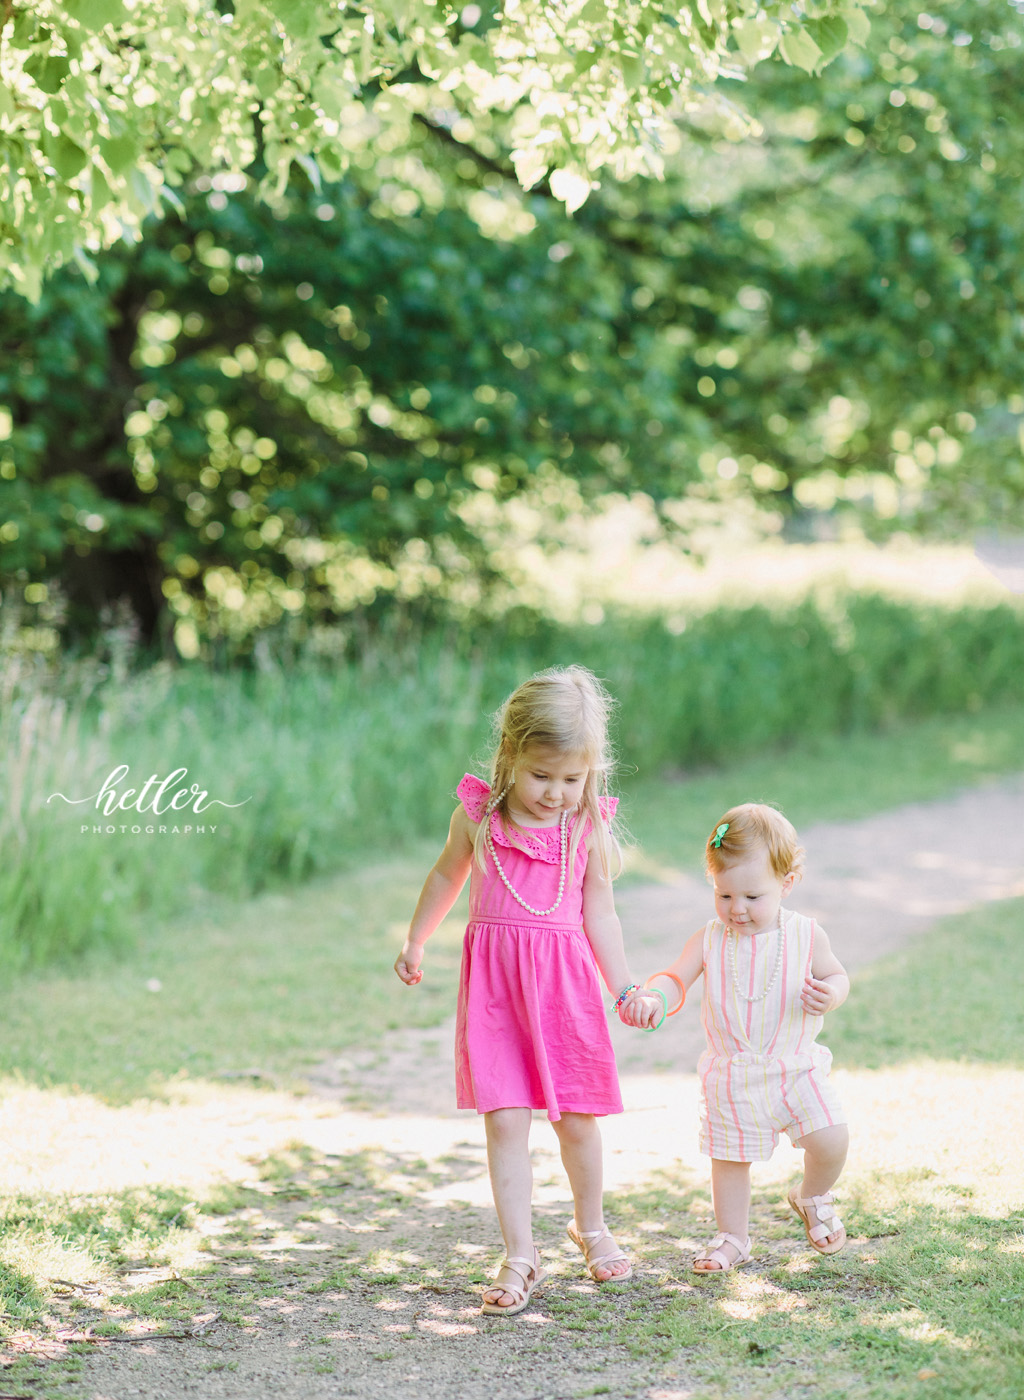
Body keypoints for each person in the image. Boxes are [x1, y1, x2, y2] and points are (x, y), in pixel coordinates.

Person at [394, 665, 661, 1315]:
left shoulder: (585, 829)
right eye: (543, 775)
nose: (557, 792)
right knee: (506, 1120)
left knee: (576, 1120)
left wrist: (624, 987)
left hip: (565, 992)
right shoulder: (479, 819)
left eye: (573, 779)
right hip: (496, 995)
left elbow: (600, 914)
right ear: (510, 756)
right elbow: (444, 877)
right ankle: (519, 1253)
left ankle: (591, 1227)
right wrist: (416, 938)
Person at [647, 803, 850, 1273]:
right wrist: (656, 996)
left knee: (832, 1137)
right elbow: (676, 978)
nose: (736, 909)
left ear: (787, 883)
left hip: (795, 1066)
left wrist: (832, 993)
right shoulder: (709, 938)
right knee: (730, 1161)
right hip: (733, 1072)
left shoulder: (806, 935)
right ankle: (732, 1237)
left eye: (752, 897)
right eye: (724, 895)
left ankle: (813, 1194)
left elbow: (837, 974)